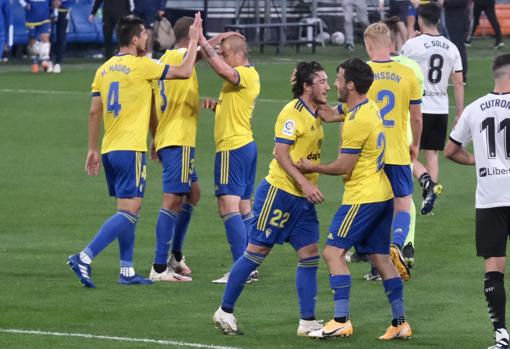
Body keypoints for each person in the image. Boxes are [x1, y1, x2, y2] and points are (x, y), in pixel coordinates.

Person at [67, 13, 202, 288]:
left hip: (109, 149)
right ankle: (84, 256)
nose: (147, 38)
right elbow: (185, 71)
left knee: (126, 210)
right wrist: (196, 40)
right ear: (134, 39)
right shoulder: (142, 65)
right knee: (130, 211)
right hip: (130, 149)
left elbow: (95, 111)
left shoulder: (103, 69)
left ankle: (126, 270)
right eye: (144, 34)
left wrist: (92, 148)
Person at [298, 57, 412, 340]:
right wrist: (309, 91)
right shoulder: (365, 106)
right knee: (381, 258)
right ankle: (400, 323)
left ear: (350, 84)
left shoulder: (357, 121)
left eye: (337, 79)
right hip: (383, 194)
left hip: (363, 198)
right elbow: (328, 113)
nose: (334, 83)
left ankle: (340, 320)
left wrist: (312, 167)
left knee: (332, 253)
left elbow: (343, 167)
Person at [212, 61, 327, 336]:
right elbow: (281, 154)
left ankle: (307, 321)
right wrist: (304, 183)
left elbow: (342, 112)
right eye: (322, 81)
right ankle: (224, 311)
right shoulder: (291, 114)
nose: (328, 85)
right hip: (279, 194)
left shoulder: (317, 110)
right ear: (307, 86)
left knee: (310, 254)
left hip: (302, 200)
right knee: (256, 253)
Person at [445, 53, 510, 349]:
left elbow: (450, 150)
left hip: (490, 198)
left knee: (493, 267)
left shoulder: (474, 108)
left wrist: (478, 160)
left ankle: (501, 336)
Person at [199, 32, 260, 284]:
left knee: (227, 206)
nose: (222, 58)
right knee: (244, 207)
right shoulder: (247, 78)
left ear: (238, 53)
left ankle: (240, 269)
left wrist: (203, 41)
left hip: (232, 148)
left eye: (225, 54)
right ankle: (250, 266)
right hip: (245, 146)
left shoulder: (243, 74)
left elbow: (223, 71)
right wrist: (218, 107)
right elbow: (236, 107)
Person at [365, 22, 422, 281]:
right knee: (402, 206)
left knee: (373, 207)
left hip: (370, 153)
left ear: (368, 45)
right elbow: (417, 118)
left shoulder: (362, 72)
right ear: (390, 44)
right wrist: (416, 144)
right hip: (398, 150)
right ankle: (397, 244)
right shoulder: (408, 72)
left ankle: (374, 263)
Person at [401, 2, 464, 215]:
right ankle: (430, 198)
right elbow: (458, 81)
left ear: (419, 20)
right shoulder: (452, 47)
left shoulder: (412, 45)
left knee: (406, 153)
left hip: (418, 107)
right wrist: (460, 113)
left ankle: (426, 182)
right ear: (438, 20)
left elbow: (400, 71)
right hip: (441, 107)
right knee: (432, 155)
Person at [19, 0, 52, 73]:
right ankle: (34, 62)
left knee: (45, 38)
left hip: (45, 17)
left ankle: (45, 60)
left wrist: (54, 11)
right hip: (31, 18)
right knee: (32, 42)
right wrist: (25, 5)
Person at [443, 0, 469, 83]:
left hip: (457, 22)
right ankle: (458, 76)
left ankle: (461, 77)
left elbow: (460, 2)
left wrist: (444, 2)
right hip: (453, 21)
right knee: (455, 48)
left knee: (458, 49)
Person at [49, 0, 73, 73]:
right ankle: (49, 61)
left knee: (61, 38)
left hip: (64, 11)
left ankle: (57, 63)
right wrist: (52, 3)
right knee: (50, 36)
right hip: (50, 11)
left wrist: (62, 4)